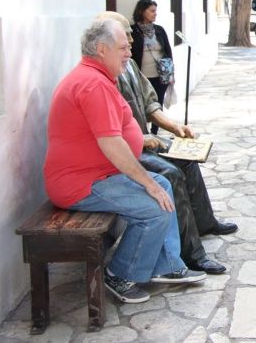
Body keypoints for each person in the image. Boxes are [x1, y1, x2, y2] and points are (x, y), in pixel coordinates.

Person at [44, 19, 206, 304]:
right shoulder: (93, 84)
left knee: (162, 184)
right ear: (102, 49)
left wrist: (151, 181)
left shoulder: (97, 78)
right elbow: (112, 144)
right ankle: (119, 273)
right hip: (81, 183)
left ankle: (166, 265)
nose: (129, 53)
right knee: (154, 207)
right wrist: (146, 184)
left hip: (98, 175)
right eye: (122, 48)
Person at [97, 12, 238, 275]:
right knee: (170, 174)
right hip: (128, 150)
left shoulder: (128, 66)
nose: (131, 40)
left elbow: (150, 104)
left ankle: (204, 222)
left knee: (187, 159)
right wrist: (142, 139)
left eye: (129, 35)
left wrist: (173, 127)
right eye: (125, 36)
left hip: (142, 140)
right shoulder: (101, 78)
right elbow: (110, 136)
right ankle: (191, 254)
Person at [131, 0, 174, 135]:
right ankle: (143, 131)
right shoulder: (133, 31)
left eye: (156, 11)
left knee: (158, 102)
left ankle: (155, 131)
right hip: (142, 75)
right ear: (141, 11)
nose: (155, 13)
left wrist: (171, 72)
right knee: (141, 103)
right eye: (152, 11)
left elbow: (168, 51)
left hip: (160, 75)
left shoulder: (159, 30)